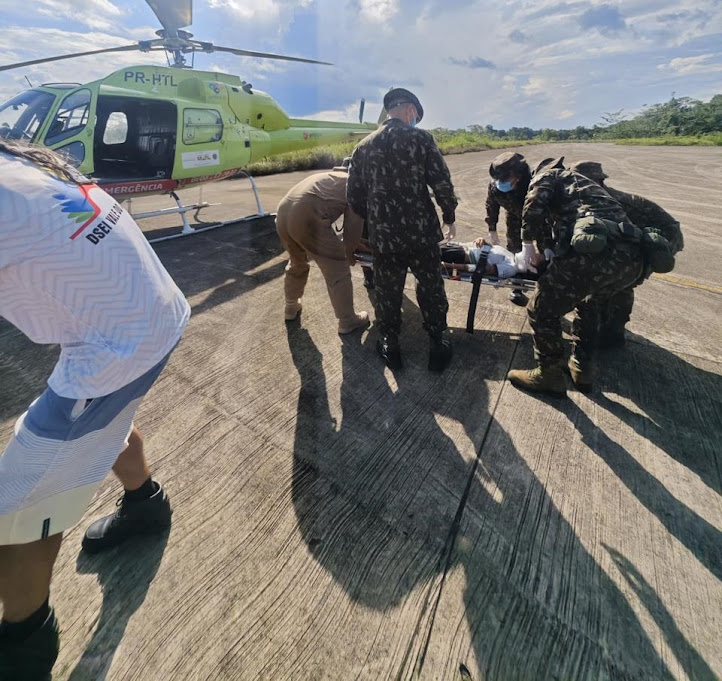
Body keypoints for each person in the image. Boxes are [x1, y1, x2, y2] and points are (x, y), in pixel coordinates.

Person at [0, 140, 190, 680]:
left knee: (18, 506)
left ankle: (25, 641)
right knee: (100, 427)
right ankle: (146, 506)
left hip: (117, 346)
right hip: (157, 314)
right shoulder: (20, 162)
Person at [507, 158, 645, 396]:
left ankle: (549, 374)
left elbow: (534, 203)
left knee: (540, 310)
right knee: (589, 305)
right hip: (631, 260)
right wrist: (551, 252)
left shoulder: (549, 176)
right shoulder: (587, 188)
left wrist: (527, 243)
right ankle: (582, 369)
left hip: (595, 255)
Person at [347, 87, 458, 372]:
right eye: (416, 116)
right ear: (410, 110)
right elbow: (441, 182)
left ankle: (389, 343)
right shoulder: (421, 139)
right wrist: (448, 215)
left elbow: (354, 197)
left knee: (387, 290)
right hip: (422, 234)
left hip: (384, 237)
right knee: (431, 286)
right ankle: (437, 342)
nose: (415, 121)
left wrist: (375, 219)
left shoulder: (363, 147)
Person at [569, 160, 684, 347]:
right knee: (616, 283)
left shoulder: (618, 202)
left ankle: (605, 338)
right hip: (636, 244)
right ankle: (611, 332)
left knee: (610, 286)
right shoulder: (592, 200)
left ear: (597, 182)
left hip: (662, 241)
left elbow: (670, 228)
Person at [276, 158, 369, 335]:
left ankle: (291, 307)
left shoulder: (326, 176)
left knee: (297, 262)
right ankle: (348, 320)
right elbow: (353, 226)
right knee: (337, 268)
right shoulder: (354, 184)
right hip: (308, 215)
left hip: (282, 214)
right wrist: (348, 252)